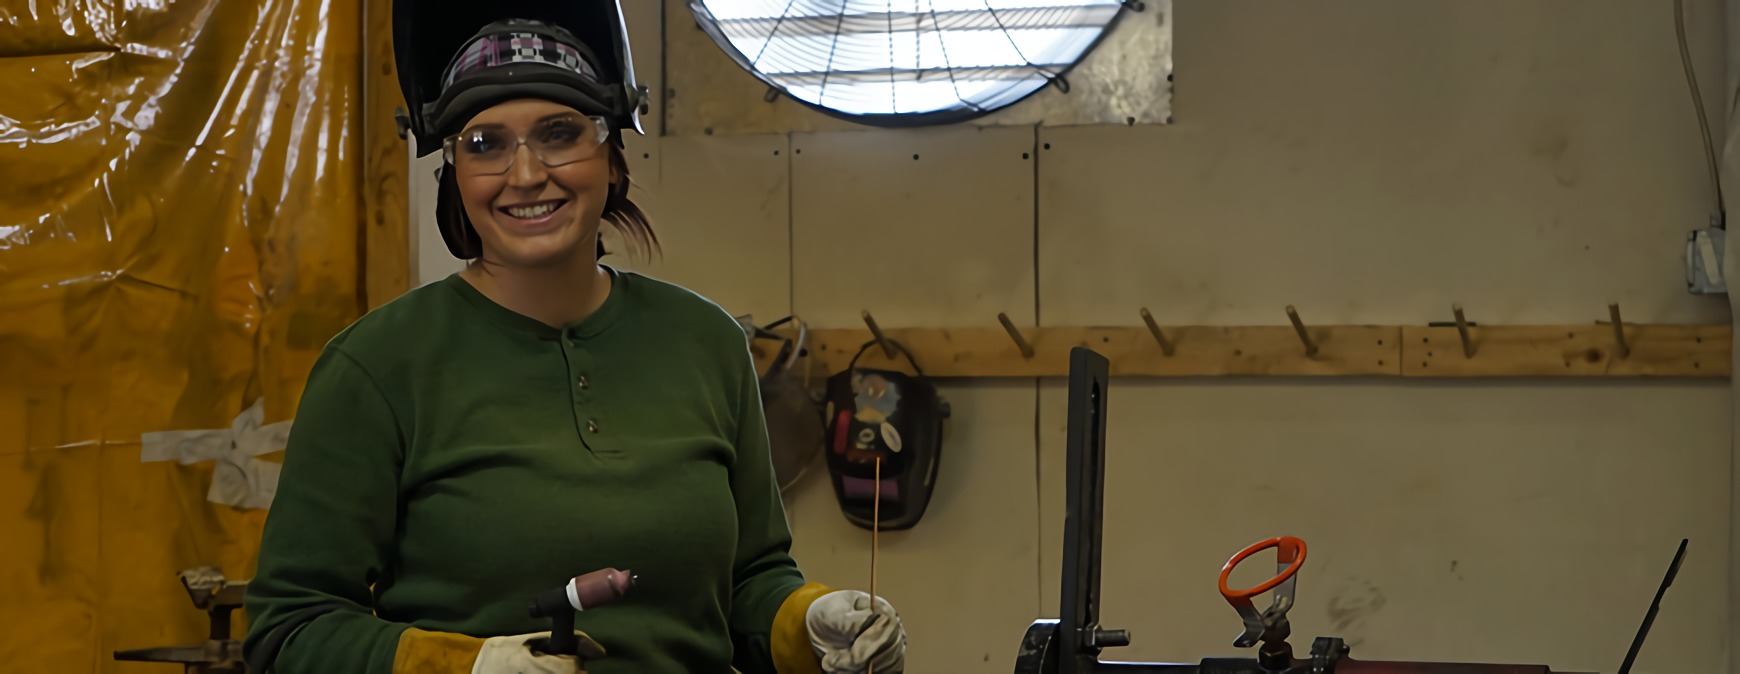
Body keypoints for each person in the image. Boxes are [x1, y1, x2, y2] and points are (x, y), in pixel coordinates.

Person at [241, 15, 907, 674]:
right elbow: (292, 628)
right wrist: (459, 666)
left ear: (613, 161)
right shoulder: (378, 366)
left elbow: (751, 582)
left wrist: (806, 624)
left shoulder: (706, 343)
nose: (526, 173)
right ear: (452, 173)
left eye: (559, 135)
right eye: (485, 143)